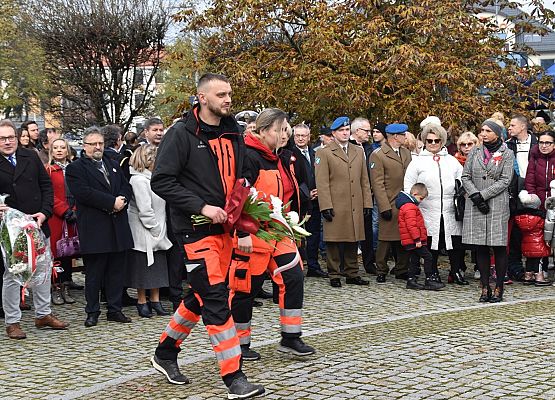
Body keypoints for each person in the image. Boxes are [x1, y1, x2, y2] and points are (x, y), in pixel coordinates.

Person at [149, 73, 264, 399]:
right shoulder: (180, 134)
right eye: (221, 94)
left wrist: (243, 189)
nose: (228, 99)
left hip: (225, 229)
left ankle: (165, 353)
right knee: (215, 299)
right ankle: (234, 378)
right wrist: (202, 205)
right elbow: (162, 181)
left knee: (199, 296)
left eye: (229, 94)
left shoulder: (233, 132)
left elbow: (245, 169)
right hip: (193, 231)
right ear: (201, 97)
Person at [230, 108, 315, 363]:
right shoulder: (249, 157)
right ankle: (239, 344)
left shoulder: (282, 157)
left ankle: (290, 337)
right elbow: (238, 197)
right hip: (253, 233)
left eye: (285, 129)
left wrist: (294, 222)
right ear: (263, 131)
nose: (284, 135)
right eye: (279, 130)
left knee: (293, 277)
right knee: (246, 289)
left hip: (278, 230)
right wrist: (242, 231)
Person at [0, 119, 68, 339]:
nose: (8, 142)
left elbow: (46, 186)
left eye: (10, 137)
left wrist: (45, 212)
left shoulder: (30, 156)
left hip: (37, 223)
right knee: (12, 275)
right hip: (10, 230)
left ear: (17, 137)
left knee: (43, 269)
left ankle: (43, 314)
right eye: (2, 139)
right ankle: (12, 321)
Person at [66, 126, 134, 327]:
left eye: (100, 144)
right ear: (84, 146)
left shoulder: (112, 163)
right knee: (95, 273)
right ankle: (92, 311)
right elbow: (83, 193)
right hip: (95, 227)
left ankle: (115, 309)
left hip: (117, 225)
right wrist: (111, 202)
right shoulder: (75, 168)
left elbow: (126, 186)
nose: (97, 147)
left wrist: (122, 200)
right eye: (93, 144)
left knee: (116, 271)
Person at [404, 123, 467, 285]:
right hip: (427, 209)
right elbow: (408, 186)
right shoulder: (417, 162)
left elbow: (462, 181)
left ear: (442, 141)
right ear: (424, 141)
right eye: (429, 140)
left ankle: (456, 271)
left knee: (454, 243)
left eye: (437, 140)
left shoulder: (452, 161)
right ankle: (432, 273)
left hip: (449, 209)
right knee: (432, 243)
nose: (433, 144)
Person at [315, 116, 373, 287]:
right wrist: (325, 206)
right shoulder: (324, 152)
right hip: (335, 202)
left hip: (355, 203)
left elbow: (364, 180)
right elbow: (322, 182)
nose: (345, 133)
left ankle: (351, 272)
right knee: (334, 240)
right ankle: (334, 274)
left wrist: (367, 203)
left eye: (347, 130)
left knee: (353, 238)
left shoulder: (357, 151)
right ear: (333, 133)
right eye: (341, 130)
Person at [462, 119, 514, 303]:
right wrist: (475, 195)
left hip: (497, 204)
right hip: (476, 204)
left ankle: (499, 286)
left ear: (497, 134)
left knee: (498, 246)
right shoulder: (475, 152)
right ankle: (485, 287)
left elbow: (506, 180)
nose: (483, 133)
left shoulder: (507, 154)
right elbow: (465, 176)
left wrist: (483, 195)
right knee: (480, 246)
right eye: (481, 130)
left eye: (487, 131)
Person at [125, 144, 172, 318]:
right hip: (144, 230)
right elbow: (145, 209)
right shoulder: (138, 180)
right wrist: (154, 228)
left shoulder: (153, 178)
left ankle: (155, 300)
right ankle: (142, 301)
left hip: (158, 230)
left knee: (157, 266)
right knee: (143, 267)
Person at [369, 123, 411, 284]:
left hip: (404, 201)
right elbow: (377, 184)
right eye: (403, 135)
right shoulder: (378, 155)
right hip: (388, 201)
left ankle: (402, 268)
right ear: (394, 137)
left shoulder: (406, 153)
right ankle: (381, 269)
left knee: (403, 237)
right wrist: (384, 206)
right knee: (385, 239)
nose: (405, 137)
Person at [45, 138, 78, 305]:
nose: (59, 150)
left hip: (73, 215)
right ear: (51, 151)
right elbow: (48, 193)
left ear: (67, 150)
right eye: (55, 148)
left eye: (62, 147)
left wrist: (74, 210)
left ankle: (66, 286)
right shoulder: (48, 170)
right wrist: (63, 210)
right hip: (56, 217)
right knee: (56, 253)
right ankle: (55, 287)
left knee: (69, 252)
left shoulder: (74, 168)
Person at [293, 124, 327, 278]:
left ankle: (313, 266)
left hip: (315, 201)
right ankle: (297, 267)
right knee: (297, 236)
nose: (300, 138)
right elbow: (293, 180)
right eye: (297, 135)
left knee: (314, 235)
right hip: (298, 202)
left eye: (303, 135)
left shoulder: (315, 153)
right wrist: (306, 194)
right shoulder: (289, 154)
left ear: (309, 136)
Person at [396, 183, 444, 290]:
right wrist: (417, 239)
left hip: (410, 240)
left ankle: (411, 280)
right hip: (414, 240)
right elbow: (412, 225)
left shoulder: (407, 206)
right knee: (428, 257)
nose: (421, 201)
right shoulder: (410, 207)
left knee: (414, 259)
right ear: (414, 194)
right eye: (421, 198)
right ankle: (429, 279)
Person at [522, 130, 555, 285]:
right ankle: (535, 272)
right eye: (541, 142)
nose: (544, 146)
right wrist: (534, 199)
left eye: (547, 142)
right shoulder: (534, 157)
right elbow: (530, 180)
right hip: (539, 203)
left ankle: (544, 270)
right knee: (538, 240)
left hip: (554, 202)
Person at [514, 191, 552, 286]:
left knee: (529, 260)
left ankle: (528, 276)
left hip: (526, 243)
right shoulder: (540, 217)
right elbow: (546, 228)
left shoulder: (520, 217)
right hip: (538, 243)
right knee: (539, 261)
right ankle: (539, 277)